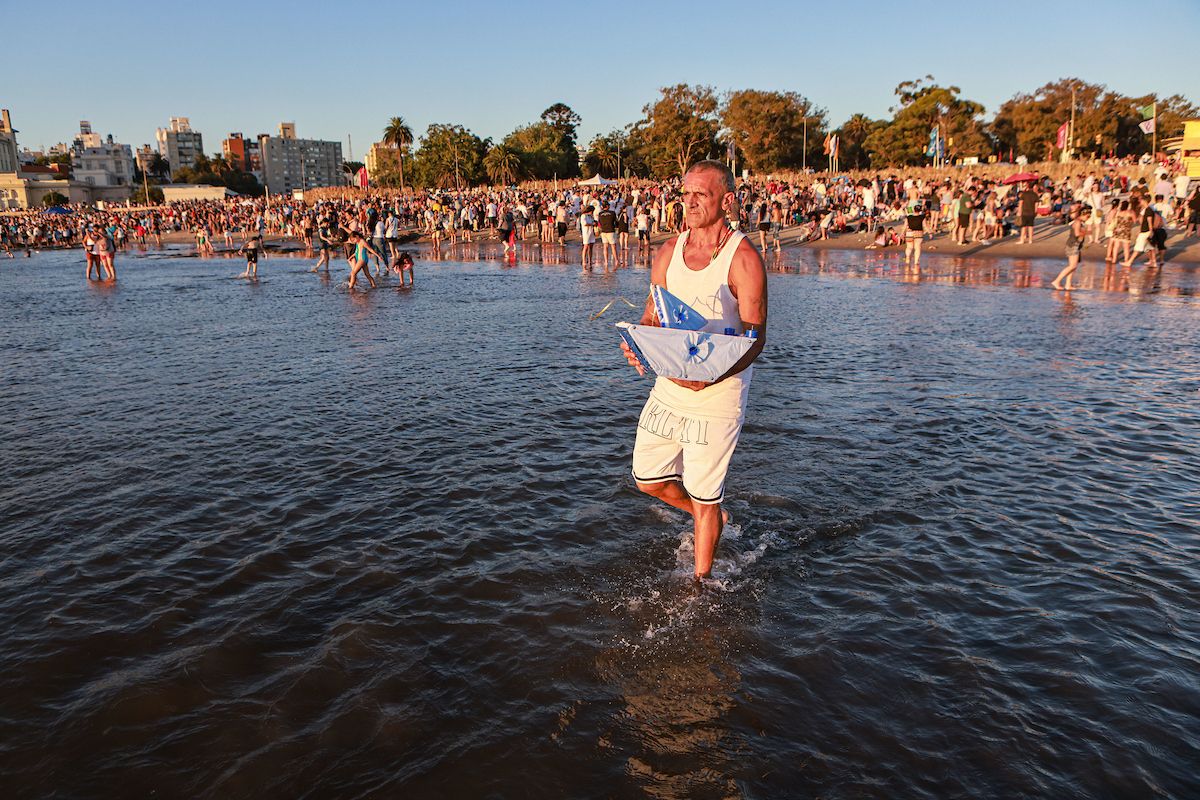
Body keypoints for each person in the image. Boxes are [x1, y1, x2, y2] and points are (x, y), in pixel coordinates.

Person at [620, 160, 767, 581]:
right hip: (669, 387)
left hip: (719, 394)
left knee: (705, 495)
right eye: (686, 193)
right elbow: (652, 315)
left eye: (700, 194)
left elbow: (756, 338)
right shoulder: (668, 251)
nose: (689, 202)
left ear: (727, 201)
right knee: (646, 477)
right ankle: (711, 517)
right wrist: (639, 345)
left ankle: (699, 588)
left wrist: (713, 375)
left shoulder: (743, 259)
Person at [1051, 205, 1088, 291]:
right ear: (1083, 214)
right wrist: (1087, 232)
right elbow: (1077, 234)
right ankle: (1057, 281)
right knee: (1072, 266)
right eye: (1087, 216)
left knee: (1073, 266)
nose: (1088, 218)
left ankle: (1068, 284)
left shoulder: (1080, 222)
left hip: (1076, 245)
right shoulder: (1078, 222)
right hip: (1073, 245)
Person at [904, 202, 927, 266]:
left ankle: (908, 257)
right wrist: (930, 232)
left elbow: (905, 226)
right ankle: (916, 261)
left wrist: (902, 233)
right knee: (917, 248)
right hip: (919, 233)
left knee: (909, 247)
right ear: (920, 211)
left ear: (913, 210)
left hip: (909, 232)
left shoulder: (909, 217)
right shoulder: (922, 217)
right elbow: (925, 225)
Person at [597, 202, 618, 269]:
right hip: (611, 230)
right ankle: (616, 260)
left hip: (603, 231)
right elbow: (616, 222)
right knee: (613, 246)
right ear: (607, 206)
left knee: (605, 246)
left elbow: (599, 222)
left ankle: (606, 261)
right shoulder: (612, 213)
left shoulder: (600, 214)